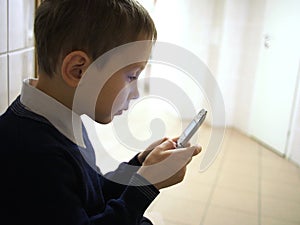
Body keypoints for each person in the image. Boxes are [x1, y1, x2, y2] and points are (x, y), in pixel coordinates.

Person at [0, 0, 201, 224]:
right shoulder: (34, 154)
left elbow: (92, 195)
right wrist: (147, 187)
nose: (135, 93)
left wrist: (140, 166)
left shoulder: (59, 119)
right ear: (79, 70)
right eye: (131, 76)